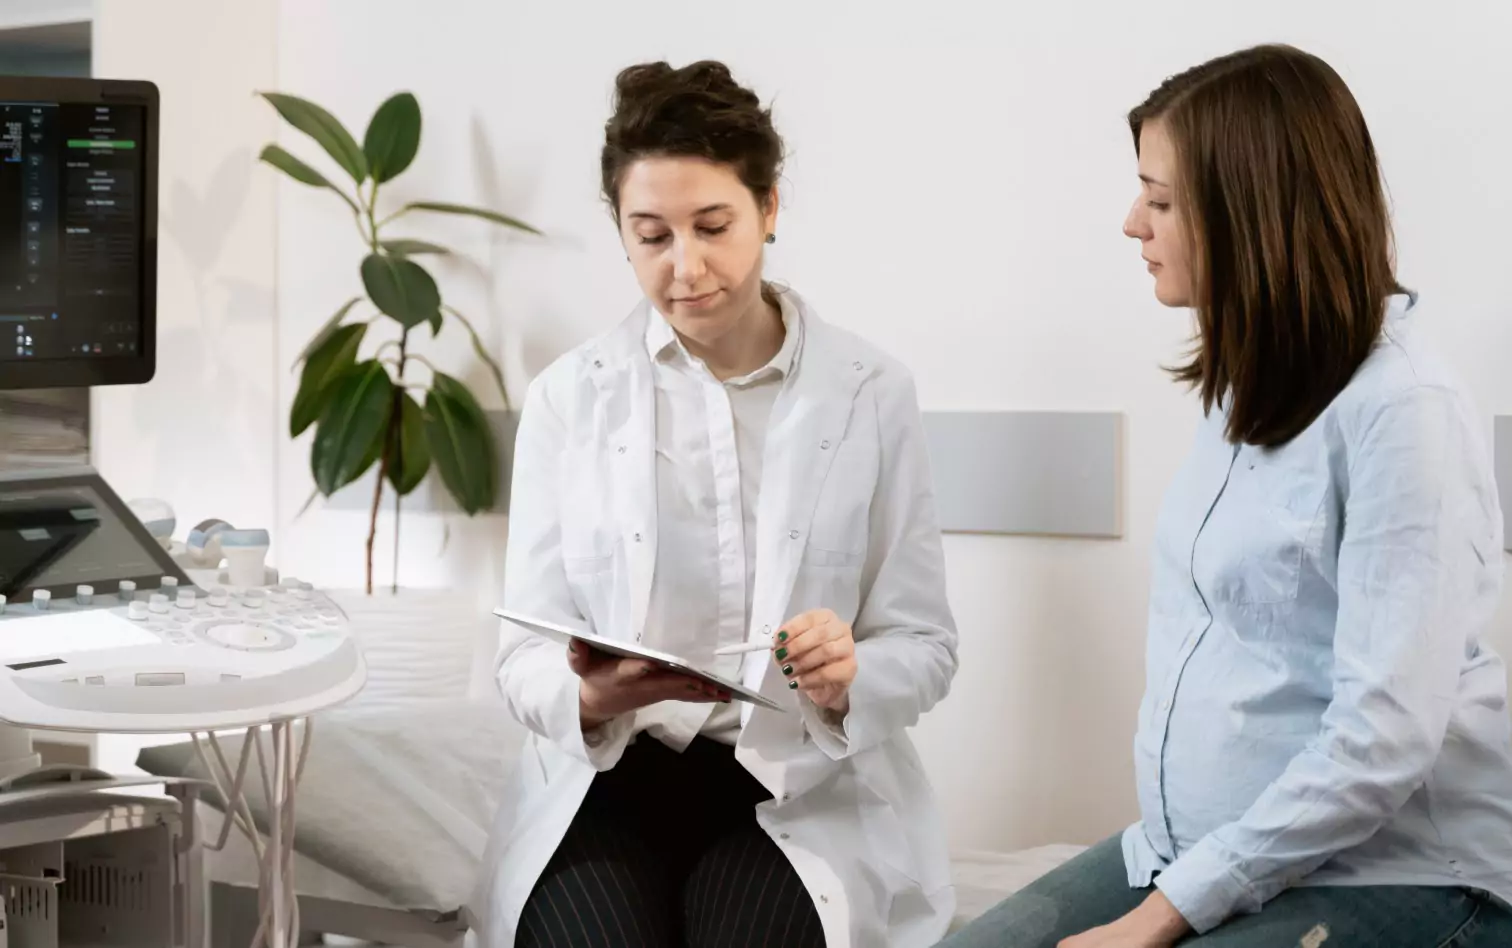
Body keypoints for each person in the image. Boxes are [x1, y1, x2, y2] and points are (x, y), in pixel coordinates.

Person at [941, 43, 1512, 948]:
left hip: (1401, 865)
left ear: (1254, 212)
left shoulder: (1404, 414)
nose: (1134, 223)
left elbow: (1383, 741)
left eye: (1161, 200)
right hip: (1198, 845)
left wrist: (1163, 918)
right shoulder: (1255, 385)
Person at [465, 60, 959, 948]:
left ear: (770, 208)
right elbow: (521, 657)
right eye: (650, 235)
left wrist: (851, 680)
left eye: (713, 226)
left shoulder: (870, 393)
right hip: (608, 778)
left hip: (792, 783)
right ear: (621, 232)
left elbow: (924, 644)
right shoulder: (568, 399)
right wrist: (589, 696)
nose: (684, 267)